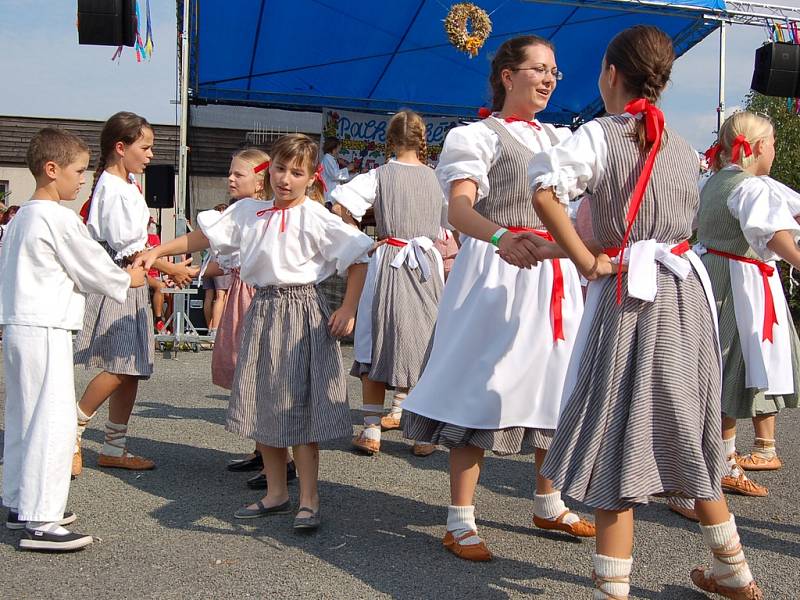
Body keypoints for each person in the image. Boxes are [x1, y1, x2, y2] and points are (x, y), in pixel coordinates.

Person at [529, 25, 763, 600]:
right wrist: (575, 249)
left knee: (616, 435)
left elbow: (543, 188)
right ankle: (733, 570)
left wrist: (583, 258)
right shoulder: (681, 147)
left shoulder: (602, 134)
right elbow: (655, 232)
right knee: (685, 427)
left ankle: (615, 591)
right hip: (683, 296)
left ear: (611, 73)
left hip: (632, 299)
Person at [400, 35, 593, 562]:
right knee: (480, 386)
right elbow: (459, 211)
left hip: (550, 271)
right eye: (538, 69)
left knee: (557, 382)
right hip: (497, 270)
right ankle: (459, 518)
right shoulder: (477, 136)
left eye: (555, 70)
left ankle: (547, 500)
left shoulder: (560, 139)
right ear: (508, 76)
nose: (550, 79)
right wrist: (500, 239)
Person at [135, 134, 373, 530]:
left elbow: (360, 255)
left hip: (301, 313)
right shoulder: (249, 211)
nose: (285, 179)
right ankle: (276, 493)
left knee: (298, 406)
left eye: (296, 173)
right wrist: (159, 252)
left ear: (312, 177)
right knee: (265, 402)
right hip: (263, 311)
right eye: (280, 169)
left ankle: (309, 498)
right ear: (269, 171)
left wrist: (348, 308)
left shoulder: (317, 216)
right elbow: (204, 237)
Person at [1, 128, 145, 551]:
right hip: (44, 326)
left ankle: (19, 501)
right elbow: (93, 266)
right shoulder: (57, 218)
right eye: (78, 171)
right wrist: (128, 278)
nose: (83, 179)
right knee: (52, 422)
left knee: (24, 418)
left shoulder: (20, 217)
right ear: (51, 170)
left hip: (19, 325)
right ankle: (42, 518)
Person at [72, 111, 196, 476]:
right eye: (146, 147)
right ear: (120, 147)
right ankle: (70, 431)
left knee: (131, 368)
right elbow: (127, 251)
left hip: (132, 281)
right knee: (119, 366)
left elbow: (136, 250)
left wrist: (163, 269)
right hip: (120, 281)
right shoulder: (111, 187)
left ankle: (114, 445)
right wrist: (170, 268)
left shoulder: (124, 185)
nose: (151, 154)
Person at [695, 111, 800, 498]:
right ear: (757, 147)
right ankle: (723, 462)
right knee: (731, 364)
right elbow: (773, 234)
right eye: (771, 143)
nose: (773, 150)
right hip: (738, 284)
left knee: (722, 363)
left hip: (713, 274)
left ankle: (727, 456)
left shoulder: (717, 182)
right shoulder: (751, 188)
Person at [331, 110, 447, 457]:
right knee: (425, 340)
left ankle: (370, 429)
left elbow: (339, 206)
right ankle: (422, 433)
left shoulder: (379, 175)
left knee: (377, 335)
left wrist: (361, 240)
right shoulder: (438, 179)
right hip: (427, 263)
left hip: (391, 257)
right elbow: (450, 222)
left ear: (390, 140)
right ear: (423, 140)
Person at [213, 148, 297, 491]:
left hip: (255, 297)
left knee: (260, 377)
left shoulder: (263, 214)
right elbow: (226, 258)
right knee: (245, 374)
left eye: (239, 174)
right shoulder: (242, 212)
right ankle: (262, 451)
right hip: (241, 294)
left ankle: (283, 460)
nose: (231, 179)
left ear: (260, 180)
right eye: (230, 173)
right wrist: (189, 269)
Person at [321, 137, 353, 207]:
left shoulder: (332, 159)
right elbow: (334, 175)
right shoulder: (327, 158)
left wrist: (356, 174)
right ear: (333, 148)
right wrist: (347, 168)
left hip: (333, 194)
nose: (339, 150)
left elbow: (339, 177)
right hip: (329, 195)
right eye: (339, 148)